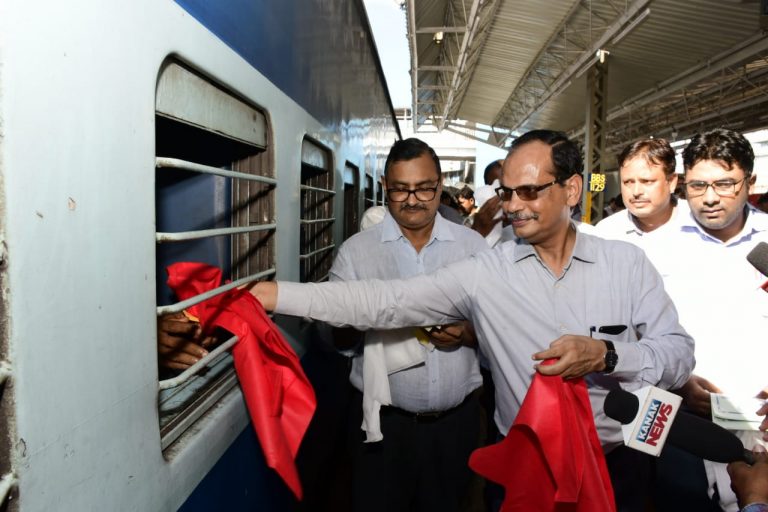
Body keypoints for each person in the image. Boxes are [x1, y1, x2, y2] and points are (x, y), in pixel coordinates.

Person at [249, 129, 694, 511]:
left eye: (530, 191)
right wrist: (272, 295)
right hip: (525, 467)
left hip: (617, 461)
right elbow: (389, 300)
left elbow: (678, 354)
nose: (514, 206)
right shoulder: (488, 271)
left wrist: (607, 353)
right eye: (506, 193)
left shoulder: (627, 264)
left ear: (572, 190)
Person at [329, 138, 490, 512]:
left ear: (439, 186)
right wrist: (355, 316)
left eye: (424, 188)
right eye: (401, 189)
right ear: (386, 186)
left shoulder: (473, 249)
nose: (413, 199)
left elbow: (500, 328)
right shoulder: (358, 252)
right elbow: (335, 340)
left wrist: (466, 333)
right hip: (382, 428)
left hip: (456, 426)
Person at [648, 128, 768, 512]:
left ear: (750, 181)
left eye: (725, 184)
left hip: (761, 425)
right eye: (698, 185)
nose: (711, 197)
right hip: (680, 423)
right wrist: (676, 382)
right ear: (683, 184)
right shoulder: (652, 250)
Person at [594, 138, 688, 270]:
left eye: (647, 181)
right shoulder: (606, 232)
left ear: (671, 182)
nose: (636, 192)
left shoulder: (700, 223)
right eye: (628, 182)